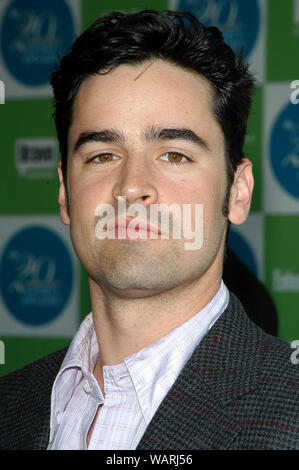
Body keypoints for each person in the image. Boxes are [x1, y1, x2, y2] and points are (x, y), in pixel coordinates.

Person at [0, 10, 298, 450]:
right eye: (102, 155)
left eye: (174, 154)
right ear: (65, 191)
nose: (132, 186)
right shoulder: (10, 405)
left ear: (237, 191)